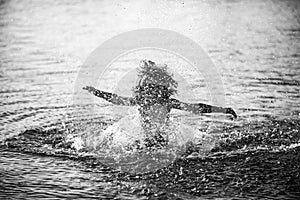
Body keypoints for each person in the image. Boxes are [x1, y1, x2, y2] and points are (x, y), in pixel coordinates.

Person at [83, 60, 237, 148]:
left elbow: (197, 108)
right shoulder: (141, 101)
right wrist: (96, 92)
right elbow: (116, 99)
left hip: (163, 140)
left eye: (155, 89)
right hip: (146, 140)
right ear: (142, 90)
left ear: (162, 90)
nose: (151, 93)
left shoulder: (168, 103)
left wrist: (223, 110)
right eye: (147, 89)